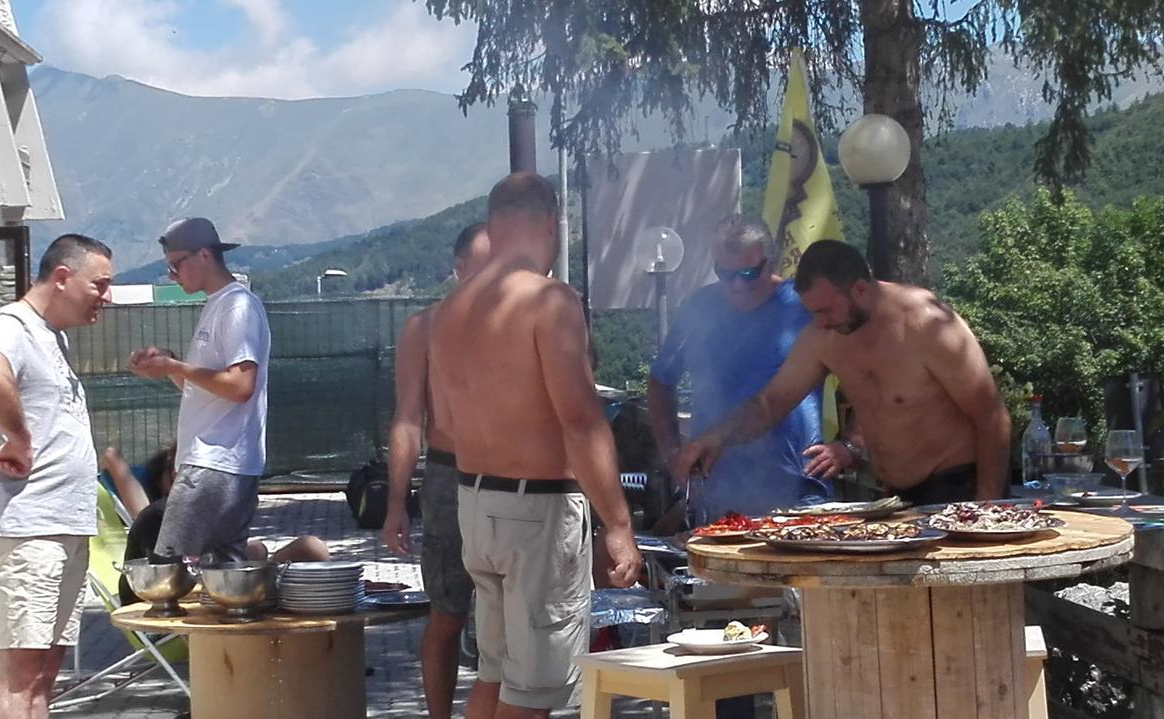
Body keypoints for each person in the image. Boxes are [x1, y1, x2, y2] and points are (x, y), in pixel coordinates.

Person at [429, 172, 644, 719]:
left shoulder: (450, 310)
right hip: (537, 516)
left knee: (496, 678)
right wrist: (617, 525)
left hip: (475, 506)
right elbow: (580, 420)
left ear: (493, 225)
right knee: (534, 696)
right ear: (550, 224)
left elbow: (448, 425)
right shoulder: (550, 300)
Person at [674, 239, 1011, 504]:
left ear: (860, 289)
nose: (820, 322)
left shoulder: (926, 323)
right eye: (812, 312)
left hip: (959, 489)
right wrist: (715, 437)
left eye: (826, 310)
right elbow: (768, 405)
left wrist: (986, 507)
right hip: (894, 497)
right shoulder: (824, 336)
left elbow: (991, 416)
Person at [0, 234, 114, 719]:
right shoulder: (10, 327)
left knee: (44, 673)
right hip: (28, 529)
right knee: (21, 676)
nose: (106, 297)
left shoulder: (52, 336)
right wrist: (19, 439)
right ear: (63, 277)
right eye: (100, 285)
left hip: (61, 526)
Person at [648, 215, 827, 523]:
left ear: (771, 262)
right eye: (725, 273)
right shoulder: (698, 309)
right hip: (716, 492)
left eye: (748, 272)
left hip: (799, 490)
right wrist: (671, 454)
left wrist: (851, 444)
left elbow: (866, 371)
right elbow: (661, 380)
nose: (738, 285)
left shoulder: (805, 308)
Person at [381, 222, 490, 719]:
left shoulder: (520, 323)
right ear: (459, 267)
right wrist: (396, 502)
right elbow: (408, 417)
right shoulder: (424, 328)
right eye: (483, 266)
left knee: (511, 615)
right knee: (448, 611)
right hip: (448, 478)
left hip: (514, 478)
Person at [129, 217, 271, 563]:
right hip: (221, 463)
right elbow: (208, 391)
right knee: (223, 574)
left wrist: (174, 367)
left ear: (204, 255)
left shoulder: (237, 306)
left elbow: (240, 385)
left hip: (214, 463)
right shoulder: (219, 305)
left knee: (166, 569)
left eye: (176, 264)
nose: (171, 275)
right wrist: (169, 365)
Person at [101, 444, 330, 606]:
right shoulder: (159, 517)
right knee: (283, 550)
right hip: (165, 605)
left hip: (207, 590)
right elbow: (168, 583)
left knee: (295, 548)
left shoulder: (203, 511)